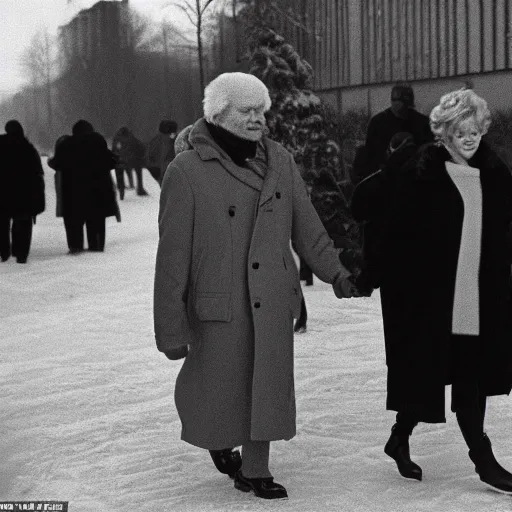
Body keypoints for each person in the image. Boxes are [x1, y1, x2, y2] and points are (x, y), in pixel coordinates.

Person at [153, 72, 357, 500]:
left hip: (271, 296)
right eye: (246, 111)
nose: (257, 119)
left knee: (265, 383)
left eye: (261, 111)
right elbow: (172, 259)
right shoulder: (187, 171)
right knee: (222, 386)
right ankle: (218, 438)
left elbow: (307, 225)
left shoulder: (279, 159)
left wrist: (338, 273)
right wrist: (170, 328)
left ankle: (256, 467)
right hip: (220, 303)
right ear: (219, 114)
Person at [352, 88, 512, 494]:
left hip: (479, 293)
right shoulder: (417, 170)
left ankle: (465, 454)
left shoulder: (495, 173)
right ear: (443, 132)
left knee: (468, 376)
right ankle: (456, 452)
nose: (470, 136)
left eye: (476, 128)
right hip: (430, 295)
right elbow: (382, 221)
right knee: (431, 373)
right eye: (461, 129)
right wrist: (371, 274)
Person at [48, 120, 119, 253]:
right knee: (96, 221)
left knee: (73, 222)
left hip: (72, 193)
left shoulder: (65, 144)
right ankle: (96, 246)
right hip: (97, 192)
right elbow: (112, 162)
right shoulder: (98, 142)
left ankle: (75, 246)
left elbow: (55, 164)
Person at [357, 83, 433, 184]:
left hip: (414, 179)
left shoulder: (421, 122)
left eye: (406, 105)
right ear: (393, 101)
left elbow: (428, 150)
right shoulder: (378, 122)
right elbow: (370, 156)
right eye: (399, 103)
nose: (403, 108)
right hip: (387, 179)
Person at [0, 120, 45, 264]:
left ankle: (4, 252)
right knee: (23, 224)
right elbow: (38, 174)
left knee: (2, 223)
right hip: (24, 195)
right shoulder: (28, 148)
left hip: (2, 194)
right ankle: (21, 253)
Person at [111, 127, 147, 197]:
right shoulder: (132, 138)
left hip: (121, 161)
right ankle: (140, 188)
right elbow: (141, 147)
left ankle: (120, 186)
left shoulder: (116, 139)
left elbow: (113, 150)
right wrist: (141, 157)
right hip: (133, 161)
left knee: (118, 168)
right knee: (138, 170)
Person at [146, 120, 178, 185]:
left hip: (156, 169)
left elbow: (149, 156)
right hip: (165, 171)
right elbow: (164, 158)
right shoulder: (168, 141)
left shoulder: (155, 140)